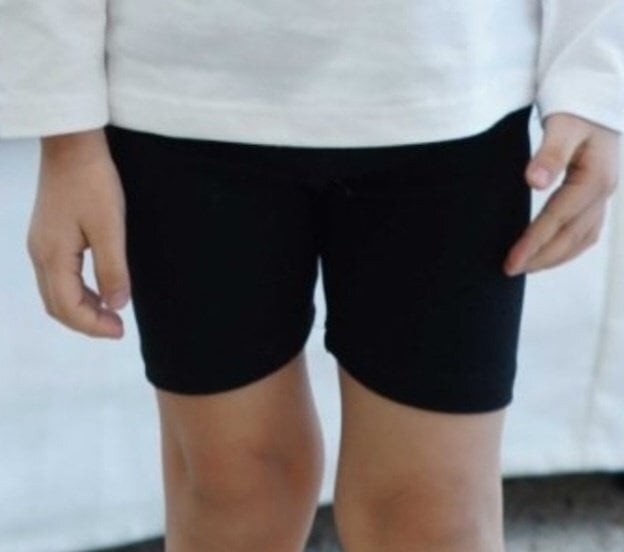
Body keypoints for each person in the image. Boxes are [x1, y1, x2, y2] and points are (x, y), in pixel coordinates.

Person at [1, 1, 622, 551]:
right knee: (232, 491)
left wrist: (596, 73)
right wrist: (68, 137)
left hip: (450, 92)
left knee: (434, 513)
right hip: (181, 98)